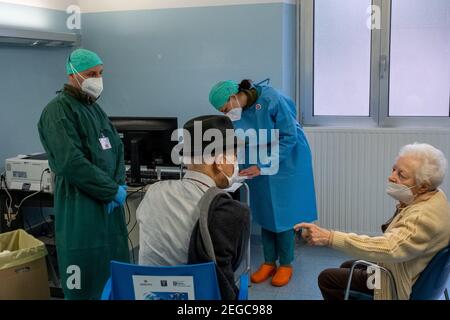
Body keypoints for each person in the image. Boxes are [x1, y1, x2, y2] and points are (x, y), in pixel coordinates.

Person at [295, 143, 450, 300]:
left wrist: (329, 237)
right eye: (394, 169)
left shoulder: (421, 217)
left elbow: (389, 247)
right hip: (408, 269)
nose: (391, 177)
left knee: (327, 278)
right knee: (348, 266)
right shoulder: (435, 197)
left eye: (401, 175)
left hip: (394, 283)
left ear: (422, 186)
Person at [38, 49, 130, 299]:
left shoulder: (94, 109)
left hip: (108, 209)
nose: (98, 79)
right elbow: (71, 162)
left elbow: (117, 148)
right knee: (85, 281)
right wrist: (111, 190)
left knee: (114, 274)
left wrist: (119, 184)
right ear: (73, 74)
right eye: (91, 74)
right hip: (81, 209)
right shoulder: (58, 111)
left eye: (100, 73)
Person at [209, 79, 317, 287]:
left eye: (225, 109)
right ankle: (269, 262)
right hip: (257, 157)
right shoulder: (238, 112)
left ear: (234, 97)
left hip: (286, 158)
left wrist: (263, 164)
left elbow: (289, 136)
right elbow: (240, 139)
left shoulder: (271, 98)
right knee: (264, 210)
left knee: (283, 213)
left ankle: (285, 264)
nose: (226, 114)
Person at [136, 115, 250, 300]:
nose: (236, 164)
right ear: (219, 162)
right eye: (235, 156)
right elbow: (229, 269)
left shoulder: (153, 193)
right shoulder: (234, 213)